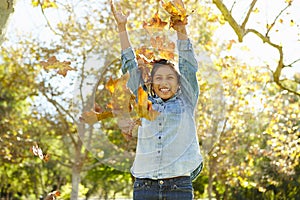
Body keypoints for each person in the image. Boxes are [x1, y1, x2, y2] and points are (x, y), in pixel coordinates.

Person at [110, 0, 203, 199]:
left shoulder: (186, 100)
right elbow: (129, 65)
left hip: (179, 185)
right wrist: (121, 27)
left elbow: (187, 65)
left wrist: (180, 27)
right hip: (145, 187)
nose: (164, 82)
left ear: (179, 83)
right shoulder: (145, 102)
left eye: (170, 78)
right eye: (159, 78)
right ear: (151, 83)